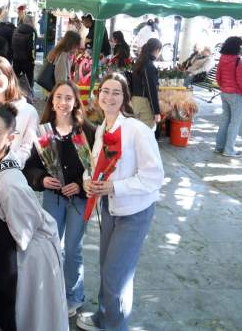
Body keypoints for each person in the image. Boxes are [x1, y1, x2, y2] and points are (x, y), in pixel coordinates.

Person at [0, 103, 68, 331]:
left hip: (28, 259)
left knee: (27, 318)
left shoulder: (11, 183)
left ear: (10, 138)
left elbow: (22, 234)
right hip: (12, 255)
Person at [76, 72, 163, 331]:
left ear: (125, 98)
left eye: (116, 92)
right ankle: (105, 317)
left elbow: (154, 177)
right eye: (105, 91)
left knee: (117, 275)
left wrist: (115, 187)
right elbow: (93, 165)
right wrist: (87, 180)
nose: (109, 97)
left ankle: (115, 326)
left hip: (134, 211)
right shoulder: (103, 128)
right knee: (107, 268)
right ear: (98, 96)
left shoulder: (137, 130)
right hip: (110, 207)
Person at [22, 80, 96, 318]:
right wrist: (42, 179)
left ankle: (74, 296)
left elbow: (96, 170)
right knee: (52, 246)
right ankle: (52, 293)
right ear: (52, 101)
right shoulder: (43, 132)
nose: (63, 103)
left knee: (72, 248)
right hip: (53, 199)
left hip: (79, 199)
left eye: (68, 98)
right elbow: (30, 168)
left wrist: (81, 186)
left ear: (75, 103)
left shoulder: (87, 131)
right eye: (59, 98)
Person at [215, 36, 242, 157]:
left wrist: (223, 87)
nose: (241, 48)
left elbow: (217, 77)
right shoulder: (238, 61)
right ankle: (229, 150)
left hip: (224, 93)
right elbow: (240, 80)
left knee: (225, 120)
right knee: (235, 122)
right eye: (240, 45)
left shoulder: (222, 58)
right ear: (236, 46)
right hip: (235, 94)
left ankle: (219, 147)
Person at [130, 38, 162, 130]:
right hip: (144, 104)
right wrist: (156, 112)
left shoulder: (139, 63)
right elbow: (152, 90)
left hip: (135, 101)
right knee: (147, 133)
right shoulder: (149, 66)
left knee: (136, 132)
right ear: (157, 50)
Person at [11, 14, 38, 86]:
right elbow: (32, 48)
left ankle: (14, 93)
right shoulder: (32, 31)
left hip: (16, 59)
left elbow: (13, 44)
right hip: (28, 61)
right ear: (31, 22)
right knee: (29, 81)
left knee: (15, 80)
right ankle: (30, 95)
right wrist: (33, 59)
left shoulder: (16, 29)